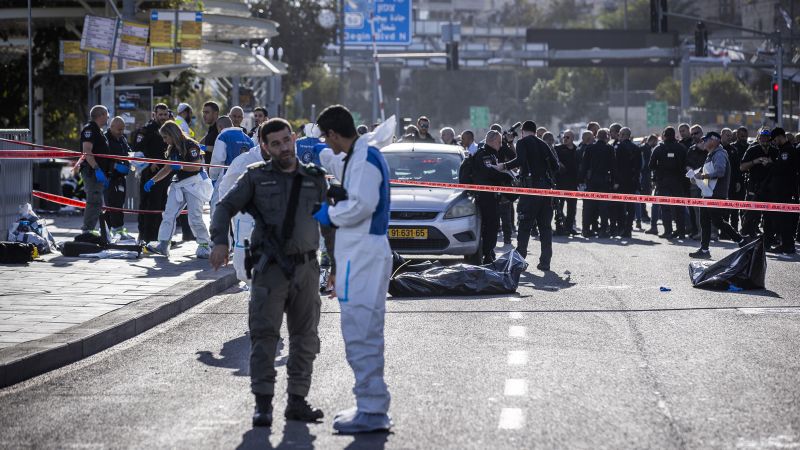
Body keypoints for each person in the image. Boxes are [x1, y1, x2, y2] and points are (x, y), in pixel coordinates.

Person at [209, 118, 327, 428]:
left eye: (287, 140)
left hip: (306, 269)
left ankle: (297, 401)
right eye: (275, 143)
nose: (283, 147)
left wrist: (337, 263)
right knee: (264, 337)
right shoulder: (255, 177)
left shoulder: (314, 178)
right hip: (270, 269)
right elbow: (224, 207)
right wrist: (220, 241)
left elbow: (329, 220)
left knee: (305, 338)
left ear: (294, 139)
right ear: (264, 147)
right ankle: (263, 404)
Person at [311, 105, 394, 433]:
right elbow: (342, 170)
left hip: (363, 256)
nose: (325, 143)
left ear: (334, 134)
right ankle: (370, 403)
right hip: (361, 254)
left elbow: (362, 205)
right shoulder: (360, 153)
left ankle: (372, 410)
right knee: (363, 330)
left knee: (360, 331)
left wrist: (328, 214)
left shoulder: (365, 158)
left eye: (325, 138)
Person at [144, 121, 212, 258]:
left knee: (195, 217)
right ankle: (163, 244)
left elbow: (196, 166)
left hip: (194, 184)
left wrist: (180, 166)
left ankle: (204, 245)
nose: (164, 140)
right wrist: (153, 180)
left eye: (165, 137)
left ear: (172, 134)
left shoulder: (191, 145)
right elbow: (167, 168)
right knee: (168, 214)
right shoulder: (173, 149)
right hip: (179, 184)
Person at [499, 121, 559, 270]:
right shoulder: (543, 144)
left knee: (525, 225)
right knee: (545, 227)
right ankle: (545, 262)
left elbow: (520, 160)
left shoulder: (522, 142)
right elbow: (555, 166)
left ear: (522, 131)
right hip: (546, 190)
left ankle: (520, 260)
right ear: (535, 131)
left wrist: (504, 166)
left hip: (530, 190)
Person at [689, 131, 744, 259]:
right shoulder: (711, 154)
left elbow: (720, 172)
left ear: (714, 140)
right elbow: (708, 175)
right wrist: (696, 178)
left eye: (706, 139)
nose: (703, 142)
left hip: (715, 194)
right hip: (708, 193)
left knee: (717, 222)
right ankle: (704, 250)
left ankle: (741, 240)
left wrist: (702, 176)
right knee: (706, 222)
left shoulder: (719, 154)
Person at [133, 103, 171, 244]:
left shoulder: (169, 129)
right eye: (160, 114)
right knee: (148, 204)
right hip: (150, 173)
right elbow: (137, 148)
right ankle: (146, 236)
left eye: (165, 114)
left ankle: (159, 237)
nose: (163, 117)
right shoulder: (147, 130)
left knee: (162, 205)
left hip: (166, 173)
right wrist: (150, 162)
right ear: (154, 115)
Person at [471, 130, 509, 263]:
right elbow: (490, 173)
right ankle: (487, 254)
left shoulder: (492, 154)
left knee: (492, 226)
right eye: (499, 142)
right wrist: (505, 176)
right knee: (490, 225)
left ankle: (489, 252)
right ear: (492, 141)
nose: (500, 145)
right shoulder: (484, 155)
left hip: (491, 196)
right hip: (485, 197)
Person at [209, 115, 256, 216]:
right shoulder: (248, 139)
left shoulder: (223, 136)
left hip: (226, 177)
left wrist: (213, 176)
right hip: (246, 179)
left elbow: (217, 159)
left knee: (218, 209)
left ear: (220, 127)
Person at [762, 128, 799, 254]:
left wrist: (769, 164)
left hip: (785, 190)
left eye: (774, 139)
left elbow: (782, 170)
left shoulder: (787, 151)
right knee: (782, 218)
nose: (774, 142)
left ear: (779, 137)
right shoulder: (783, 150)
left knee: (784, 219)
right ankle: (786, 243)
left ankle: (787, 245)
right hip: (782, 190)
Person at [648, 126, 687, 239]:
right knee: (679, 207)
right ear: (674, 135)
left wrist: (660, 169)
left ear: (664, 136)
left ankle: (668, 231)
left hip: (663, 182)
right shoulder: (681, 148)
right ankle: (681, 232)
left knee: (665, 208)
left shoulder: (658, 148)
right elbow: (685, 164)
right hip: (678, 181)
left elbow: (651, 165)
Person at [79, 105, 111, 234]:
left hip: (98, 172)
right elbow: (87, 151)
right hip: (92, 171)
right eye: (107, 115)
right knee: (93, 200)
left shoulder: (98, 130)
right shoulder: (90, 129)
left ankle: (91, 229)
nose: (108, 117)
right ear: (101, 115)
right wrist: (97, 168)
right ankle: (87, 230)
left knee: (97, 202)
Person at [580, 128, 615, 238]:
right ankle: (603, 230)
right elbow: (613, 167)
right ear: (606, 137)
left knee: (589, 206)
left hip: (591, 180)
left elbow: (584, 165)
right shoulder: (609, 148)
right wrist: (615, 181)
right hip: (604, 180)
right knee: (603, 207)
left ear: (597, 137)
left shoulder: (589, 148)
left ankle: (586, 229)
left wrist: (581, 180)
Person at [740, 127, 774, 241]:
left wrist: (771, 162)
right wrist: (756, 161)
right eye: (762, 137)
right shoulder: (752, 149)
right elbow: (742, 167)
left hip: (770, 187)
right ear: (758, 138)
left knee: (770, 215)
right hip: (754, 186)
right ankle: (746, 234)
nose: (764, 140)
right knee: (750, 213)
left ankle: (768, 238)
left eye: (767, 137)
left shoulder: (775, 150)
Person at [104, 116, 134, 240]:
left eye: (123, 129)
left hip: (121, 176)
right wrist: (114, 166)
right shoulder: (105, 139)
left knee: (119, 203)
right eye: (119, 129)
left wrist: (133, 159)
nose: (121, 132)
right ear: (111, 127)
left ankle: (108, 230)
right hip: (110, 176)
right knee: (112, 204)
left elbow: (128, 151)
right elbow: (101, 158)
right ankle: (116, 229)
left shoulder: (122, 138)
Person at [611, 127, 641, 238]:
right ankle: (628, 228)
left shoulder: (618, 147)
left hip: (621, 182)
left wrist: (616, 181)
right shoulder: (636, 148)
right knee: (630, 206)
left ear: (623, 135)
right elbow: (639, 167)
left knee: (620, 205)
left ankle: (621, 228)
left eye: (620, 134)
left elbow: (616, 166)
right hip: (632, 181)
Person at [554, 130, 580, 235]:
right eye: (564, 137)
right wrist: (559, 164)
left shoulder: (577, 150)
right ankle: (559, 227)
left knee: (572, 208)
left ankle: (569, 227)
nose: (565, 139)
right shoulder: (558, 149)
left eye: (567, 137)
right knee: (559, 206)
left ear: (572, 138)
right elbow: (554, 160)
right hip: (560, 182)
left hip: (572, 182)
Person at [729, 126, 749, 232]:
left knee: (746, 208)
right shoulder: (733, 147)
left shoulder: (750, 147)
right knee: (735, 207)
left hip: (748, 179)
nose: (744, 138)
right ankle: (734, 229)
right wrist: (736, 180)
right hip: (736, 180)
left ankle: (745, 229)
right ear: (737, 135)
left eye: (745, 136)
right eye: (742, 135)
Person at [636, 134, 657, 230]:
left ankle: (643, 214)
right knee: (643, 195)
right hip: (644, 175)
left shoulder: (644, 148)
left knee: (643, 195)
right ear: (652, 140)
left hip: (644, 175)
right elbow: (646, 164)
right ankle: (643, 214)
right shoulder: (646, 149)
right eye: (655, 141)